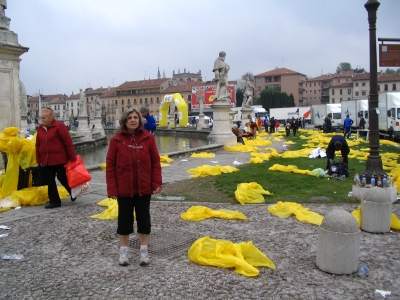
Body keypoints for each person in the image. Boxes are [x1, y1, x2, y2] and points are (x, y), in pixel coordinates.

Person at [106, 107, 162, 267]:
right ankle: (123, 250)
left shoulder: (148, 139)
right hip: (124, 187)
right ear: (125, 120)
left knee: (144, 218)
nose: (132, 120)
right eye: (129, 117)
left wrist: (157, 182)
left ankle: (143, 250)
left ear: (139, 120)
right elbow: (110, 165)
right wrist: (112, 188)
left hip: (144, 186)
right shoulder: (116, 140)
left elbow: (155, 162)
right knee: (124, 220)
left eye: (135, 117)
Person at [35, 107, 77, 209]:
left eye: (44, 118)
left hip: (60, 158)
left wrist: (72, 158)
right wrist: (38, 159)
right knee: (50, 180)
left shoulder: (59, 126)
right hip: (46, 160)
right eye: (42, 118)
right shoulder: (40, 128)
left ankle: (72, 191)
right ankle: (54, 201)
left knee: (62, 177)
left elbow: (68, 143)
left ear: (50, 118)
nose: (42, 120)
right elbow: (38, 145)